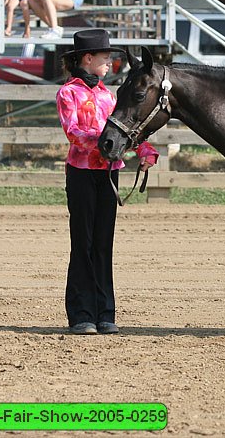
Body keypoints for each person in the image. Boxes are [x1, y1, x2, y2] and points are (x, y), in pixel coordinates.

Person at [56, 29, 159, 335]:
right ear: (88, 59)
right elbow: (73, 132)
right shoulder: (68, 93)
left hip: (108, 173)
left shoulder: (108, 95)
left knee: (103, 243)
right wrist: (104, 143)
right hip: (82, 173)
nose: (109, 64)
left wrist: (144, 149)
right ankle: (81, 314)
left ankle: (105, 312)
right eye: (105, 58)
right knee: (83, 243)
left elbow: (123, 130)